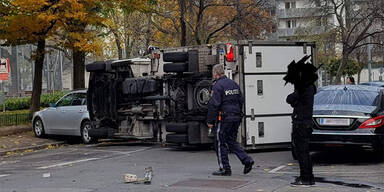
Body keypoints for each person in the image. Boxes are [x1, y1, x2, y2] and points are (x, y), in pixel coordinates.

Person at [207, 64, 254, 176]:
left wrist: (210, 121)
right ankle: (247, 160)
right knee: (231, 141)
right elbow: (241, 100)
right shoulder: (234, 84)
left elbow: (214, 104)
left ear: (215, 73)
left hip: (225, 118)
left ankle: (224, 168)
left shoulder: (217, 86)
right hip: (236, 117)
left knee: (219, 142)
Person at [284, 57, 317, 186]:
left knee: (301, 152)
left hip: (301, 123)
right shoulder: (310, 87)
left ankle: (305, 178)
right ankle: (309, 177)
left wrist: (295, 101)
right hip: (306, 122)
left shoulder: (303, 87)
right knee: (305, 151)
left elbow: (289, 99)